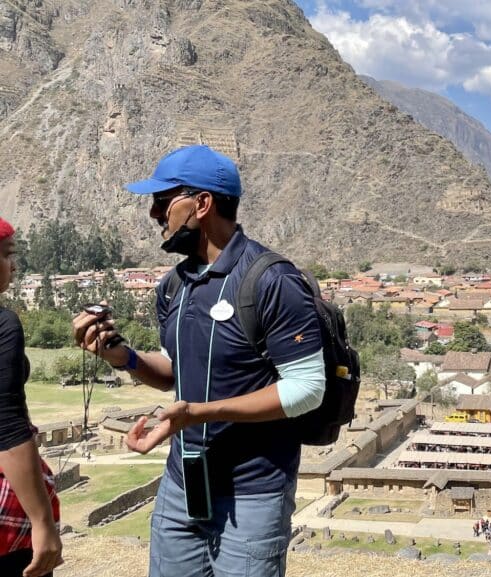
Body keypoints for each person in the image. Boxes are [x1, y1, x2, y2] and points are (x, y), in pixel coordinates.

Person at [72, 146, 326, 577]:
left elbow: (307, 389)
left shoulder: (271, 280)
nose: (153, 213)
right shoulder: (175, 285)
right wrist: (122, 356)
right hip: (181, 487)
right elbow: (175, 371)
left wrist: (199, 414)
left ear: (202, 203)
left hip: (251, 493)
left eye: (163, 201)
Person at [0, 217, 63, 577]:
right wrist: (42, 523)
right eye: (8, 254)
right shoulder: (4, 324)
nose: (14, 265)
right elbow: (7, 426)